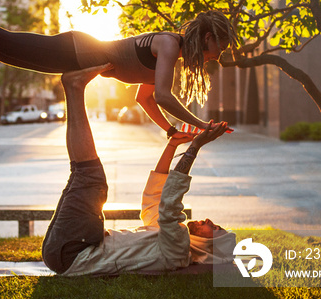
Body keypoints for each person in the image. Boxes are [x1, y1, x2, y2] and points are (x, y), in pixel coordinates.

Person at [0, 0, 237, 135]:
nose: (221, 53)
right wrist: (201, 124)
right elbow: (162, 95)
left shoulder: (170, 57)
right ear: (207, 38)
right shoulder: (168, 44)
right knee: (0, 39)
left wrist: (170, 131)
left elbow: (145, 100)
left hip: (74, 56)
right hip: (76, 49)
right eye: (221, 45)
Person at [40, 63, 236, 276]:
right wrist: (172, 145)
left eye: (215, 228)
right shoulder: (167, 237)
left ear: (211, 247)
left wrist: (195, 147)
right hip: (65, 250)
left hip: (76, 253)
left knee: (90, 176)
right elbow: (154, 197)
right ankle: (72, 87)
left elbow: (170, 206)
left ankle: (74, 87)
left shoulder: (178, 251)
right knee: (82, 171)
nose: (209, 221)